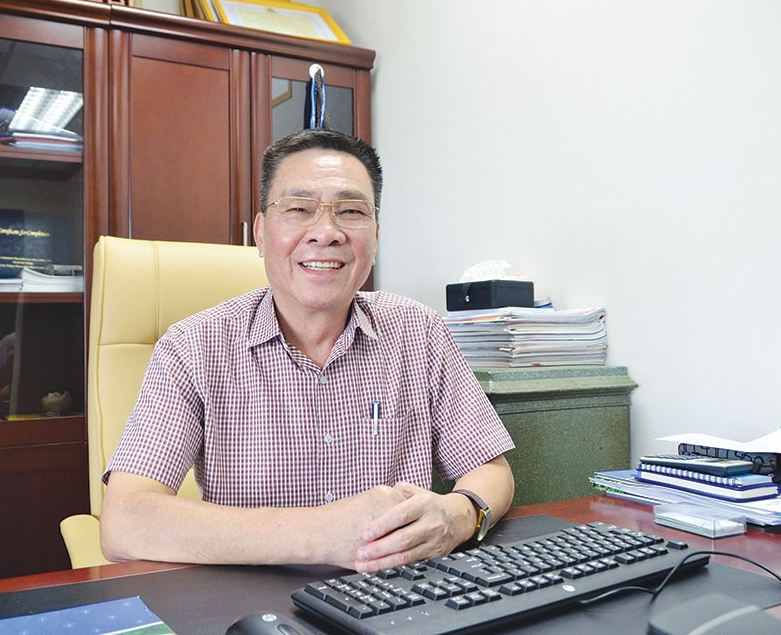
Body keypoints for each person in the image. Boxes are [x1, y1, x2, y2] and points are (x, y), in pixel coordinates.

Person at [100, 129, 515, 573]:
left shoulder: (420, 330)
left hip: (401, 592)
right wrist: (321, 536)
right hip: (250, 597)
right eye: (299, 209)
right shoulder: (193, 347)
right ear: (261, 233)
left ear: (375, 237)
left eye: (351, 211)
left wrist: (457, 515)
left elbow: (491, 470)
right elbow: (125, 521)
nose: (327, 233)